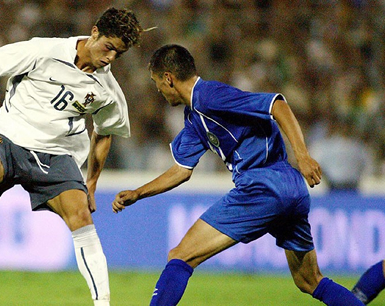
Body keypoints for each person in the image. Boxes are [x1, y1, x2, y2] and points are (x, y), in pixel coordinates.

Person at [112, 44, 365, 306]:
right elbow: (181, 171)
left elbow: (277, 105)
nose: (159, 91)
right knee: (309, 281)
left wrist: (302, 155)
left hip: (261, 185)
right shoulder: (194, 117)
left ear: (169, 78)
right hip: (291, 187)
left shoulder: (209, 96)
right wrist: (138, 193)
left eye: (157, 84)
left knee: (181, 255)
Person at [0, 7, 144, 306]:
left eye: (119, 53)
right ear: (94, 32)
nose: (111, 58)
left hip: (57, 153)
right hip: (11, 137)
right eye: (109, 47)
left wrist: (91, 183)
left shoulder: (107, 91)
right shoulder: (44, 50)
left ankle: (103, 303)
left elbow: (103, 133)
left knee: (81, 216)